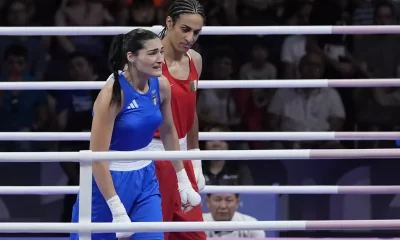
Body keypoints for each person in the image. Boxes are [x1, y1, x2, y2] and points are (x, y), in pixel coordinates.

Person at [69, 28, 201, 240]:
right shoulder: (113, 93)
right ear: (131, 57)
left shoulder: (162, 85)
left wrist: (182, 179)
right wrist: (117, 208)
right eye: (152, 54)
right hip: (107, 182)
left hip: (146, 178)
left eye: (161, 51)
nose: (160, 59)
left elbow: (168, 131)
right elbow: (97, 157)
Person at [148, 0, 207, 240]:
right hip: (153, 159)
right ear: (169, 22)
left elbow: (190, 111)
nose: (190, 38)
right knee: (155, 234)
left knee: (193, 236)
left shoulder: (195, 60)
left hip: (182, 157)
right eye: (185, 29)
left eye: (196, 32)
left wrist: (196, 158)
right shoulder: (148, 62)